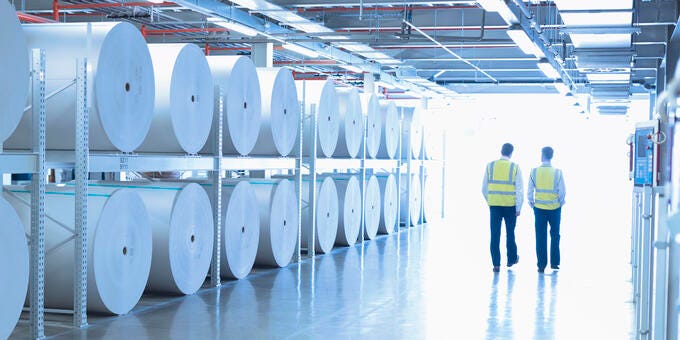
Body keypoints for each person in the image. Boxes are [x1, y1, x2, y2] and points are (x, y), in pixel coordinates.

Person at [482, 143, 523, 273]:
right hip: (510, 206)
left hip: (494, 206)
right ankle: (511, 259)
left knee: (495, 235)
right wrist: (518, 207)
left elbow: (484, 188)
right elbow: (519, 189)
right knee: (510, 233)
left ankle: (496, 264)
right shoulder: (515, 167)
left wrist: (491, 201)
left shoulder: (490, 166)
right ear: (511, 153)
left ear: (501, 151)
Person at [528, 146, 566, 273]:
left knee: (540, 236)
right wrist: (560, 203)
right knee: (555, 235)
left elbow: (530, 191)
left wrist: (532, 203)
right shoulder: (557, 172)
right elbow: (562, 192)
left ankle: (541, 265)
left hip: (539, 209)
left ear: (542, 155)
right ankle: (555, 263)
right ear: (552, 156)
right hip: (555, 209)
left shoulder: (534, 171)